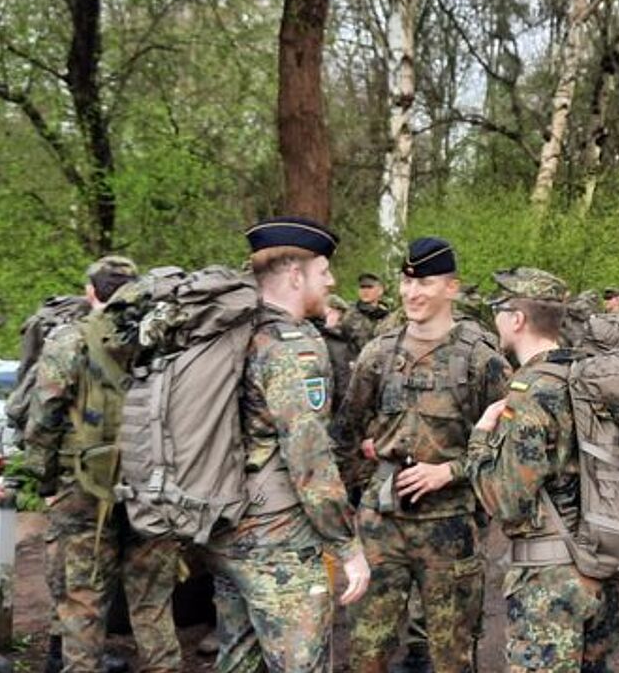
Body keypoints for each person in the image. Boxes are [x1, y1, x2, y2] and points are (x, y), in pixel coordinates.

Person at [335, 237, 511, 673]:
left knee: (452, 655)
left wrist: (450, 471)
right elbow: (343, 436)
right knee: (366, 651)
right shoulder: (379, 354)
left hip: (450, 530)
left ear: (452, 288)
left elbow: (512, 446)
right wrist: (364, 492)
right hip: (382, 528)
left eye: (426, 283)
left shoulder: (481, 360)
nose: (412, 293)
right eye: (406, 282)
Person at [208, 216, 370, 673]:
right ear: (296, 275)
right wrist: (348, 548)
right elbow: (310, 459)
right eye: (324, 272)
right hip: (279, 543)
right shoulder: (293, 346)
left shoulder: (230, 331)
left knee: (236, 662)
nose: (332, 281)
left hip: (224, 531)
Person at [24, 256, 182, 673]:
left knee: (82, 603)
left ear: (91, 292)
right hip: (154, 484)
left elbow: (45, 414)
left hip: (82, 487)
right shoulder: (164, 339)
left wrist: (44, 482)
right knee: (153, 604)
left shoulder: (68, 338)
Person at [463, 267, 619, 673]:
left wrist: (480, 440)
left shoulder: (530, 392)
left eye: (499, 308)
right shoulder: (588, 376)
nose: (495, 316)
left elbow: (510, 501)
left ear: (517, 319)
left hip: (550, 580)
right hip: (601, 564)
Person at [344, 273, 392, 350]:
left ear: (380, 291)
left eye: (370, 287)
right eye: (362, 287)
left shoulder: (388, 316)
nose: (365, 291)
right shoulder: (350, 314)